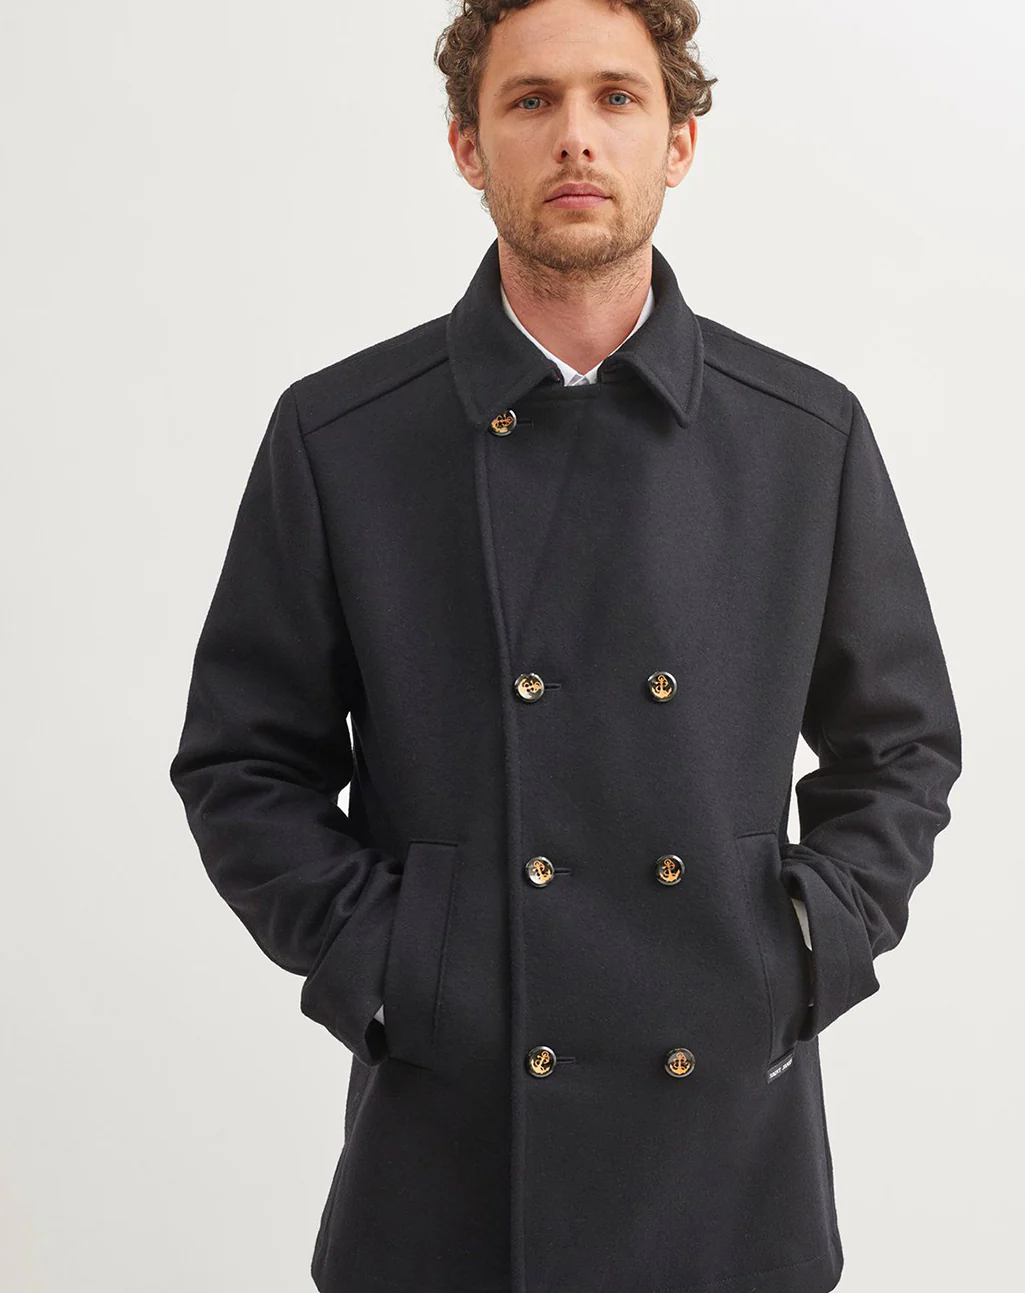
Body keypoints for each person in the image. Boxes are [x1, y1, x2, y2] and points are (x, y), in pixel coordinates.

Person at [169, 2, 961, 1291]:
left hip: (724, 1151)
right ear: (467, 147)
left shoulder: (804, 436)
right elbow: (242, 764)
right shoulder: (343, 436)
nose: (577, 138)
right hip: (452, 1144)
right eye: (531, 101)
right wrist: (394, 962)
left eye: (618, 97)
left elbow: (904, 746)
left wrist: (805, 943)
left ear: (680, 142)